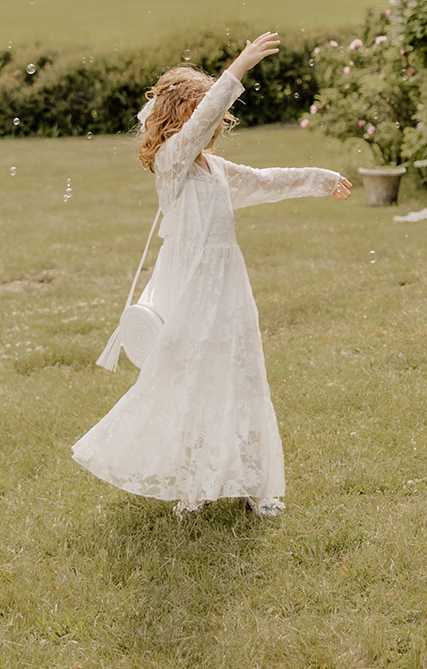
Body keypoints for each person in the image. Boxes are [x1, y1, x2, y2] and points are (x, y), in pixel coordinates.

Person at [71, 30, 352, 517]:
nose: (217, 121)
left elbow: (265, 181)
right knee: (190, 378)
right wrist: (238, 67)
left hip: (227, 285)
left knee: (242, 374)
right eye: (206, 111)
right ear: (181, 116)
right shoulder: (171, 161)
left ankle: (254, 483)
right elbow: (199, 125)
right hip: (190, 284)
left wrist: (320, 179)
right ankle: (193, 487)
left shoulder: (213, 168)